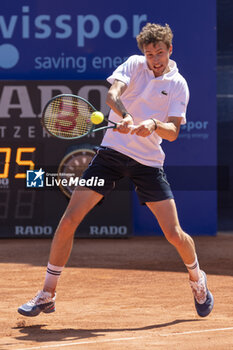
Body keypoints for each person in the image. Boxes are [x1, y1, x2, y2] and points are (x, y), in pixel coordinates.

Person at [18, 23, 214, 318]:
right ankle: (47, 293)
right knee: (70, 218)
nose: (154, 59)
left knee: (174, 233)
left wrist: (152, 124)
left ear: (170, 50)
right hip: (110, 155)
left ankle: (198, 280)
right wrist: (129, 116)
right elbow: (112, 96)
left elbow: (172, 130)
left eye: (159, 53)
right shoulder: (135, 65)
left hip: (147, 163)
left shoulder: (178, 84)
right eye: (149, 54)